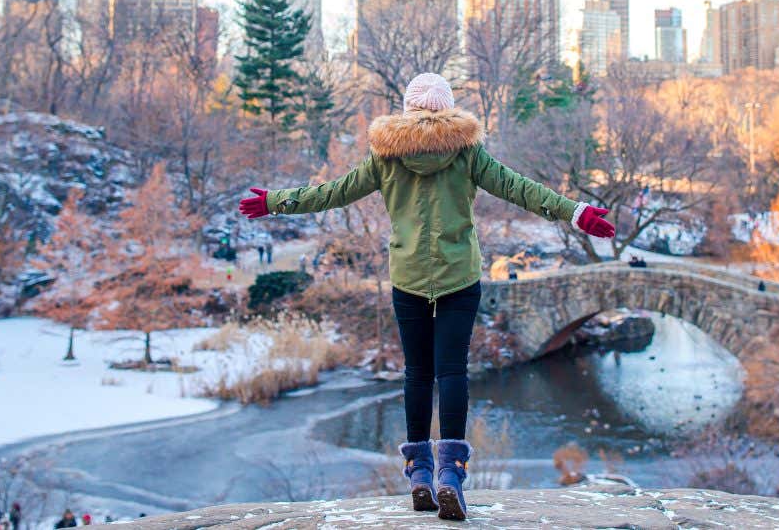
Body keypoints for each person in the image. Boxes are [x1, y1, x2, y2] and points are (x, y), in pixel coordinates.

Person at [239, 73, 615, 521]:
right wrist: (575, 212)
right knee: (452, 370)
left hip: (408, 276)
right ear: (448, 108)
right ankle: (450, 474)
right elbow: (520, 189)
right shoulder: (467, 152)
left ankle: (418, 471)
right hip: (458, 275)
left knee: (417, 373)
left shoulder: (385, 155)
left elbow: (332, 193)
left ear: (408, 109)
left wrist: (277, 201)